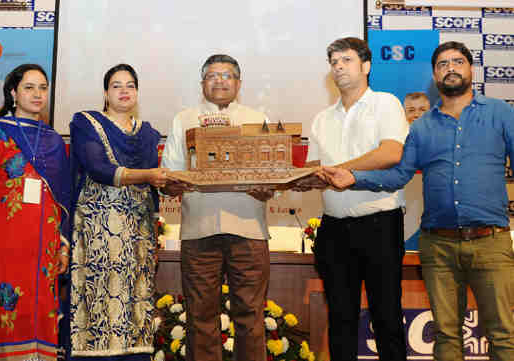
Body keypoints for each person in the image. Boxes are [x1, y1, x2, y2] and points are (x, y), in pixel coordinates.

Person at [323, 41, 514, 361]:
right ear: (434, 75)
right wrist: (355, 177)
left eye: (457, 62)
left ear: (470, 69)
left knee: (503, 335)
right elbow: (398, 176)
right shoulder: (423, 126)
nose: (450, 68)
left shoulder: (500, 112)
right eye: (442, 64)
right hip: (437, 245)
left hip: (490, 242)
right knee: (446, 334)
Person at [296, 37, 409, 361]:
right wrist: (296, 179)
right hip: (333, 229)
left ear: (366, 66)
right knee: (340, 319)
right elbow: (317, 170)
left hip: (379, 225)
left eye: (346, 60)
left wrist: (340, 170)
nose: (338, 67)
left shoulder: (385, 104)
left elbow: (391, 152)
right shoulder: (321, 118)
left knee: (386, 316)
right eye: (333, 62)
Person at [161, 54, 274, 361]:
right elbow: (169, 175)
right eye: (212, 75)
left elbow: (271, 176)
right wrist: (175, 182)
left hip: (248, 230)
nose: (220, 80)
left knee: (251, 317)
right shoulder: (183, 119)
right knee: (200, 318)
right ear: (202, 84)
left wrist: (267, 187)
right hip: (199, 230)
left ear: (238, 83)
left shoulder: (257, 119)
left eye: (227, 75)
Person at [68, 63, 167, 360]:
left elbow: (152, 193)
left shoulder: (147, 134)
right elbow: (98, 168)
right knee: (99, 303)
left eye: (130, 85)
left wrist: (155, 230)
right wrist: (148, 174)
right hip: (98, 229)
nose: (124, 91)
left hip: (138, 233)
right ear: (105, 93)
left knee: (134, 305)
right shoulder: (86, 123)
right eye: (116, 85)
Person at [0, 63, 70, 360]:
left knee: (41, 305)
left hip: (44, 246)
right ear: (13, 92)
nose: (38, 93)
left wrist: (63, 247)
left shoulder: (55, 140)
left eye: (43, 87)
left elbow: (64, 200)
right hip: (5, 242)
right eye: (29, 87)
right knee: (5, 305)